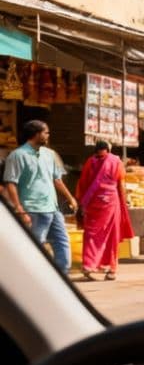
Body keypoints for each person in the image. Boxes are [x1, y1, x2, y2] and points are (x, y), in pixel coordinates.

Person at [3, 120, 78, 274]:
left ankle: (62, 275)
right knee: (36, 245)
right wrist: (19, 208)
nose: (48, 135)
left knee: (62, 241)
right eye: (46, 132)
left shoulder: (49, 155)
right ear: (36, 134)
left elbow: (56, 179)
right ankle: (32, 275)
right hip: (33, 209)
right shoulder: (17, 156)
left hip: (53, 208)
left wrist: (70, 198)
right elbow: (11, 183)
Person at [75, 140, 133, 280]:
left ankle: (88, 265)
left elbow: (82, 183)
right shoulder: (116, 161)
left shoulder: (89, 162)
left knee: (91, 233)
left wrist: (81, 203)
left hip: (92, 203)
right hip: (111, 202)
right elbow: (121, 184)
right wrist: (124, 200)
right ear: (108, 149)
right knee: (111, 234)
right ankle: (111, 269)